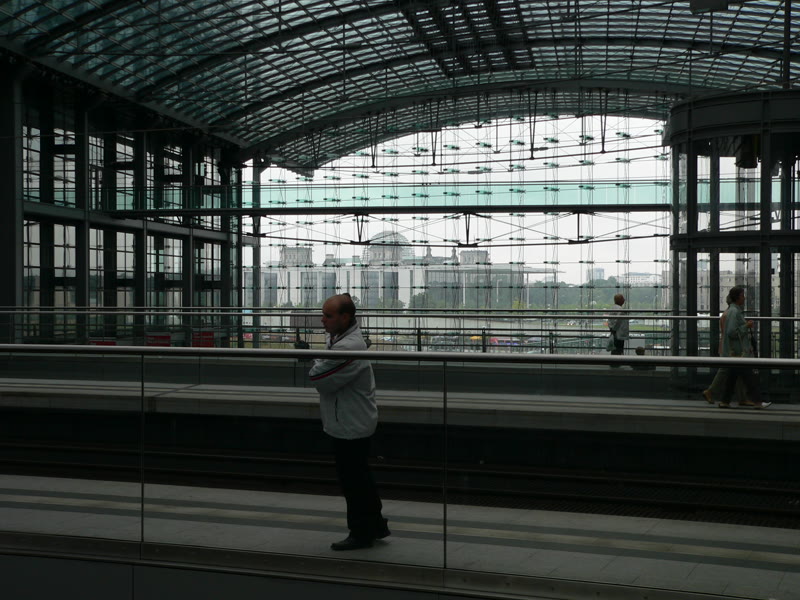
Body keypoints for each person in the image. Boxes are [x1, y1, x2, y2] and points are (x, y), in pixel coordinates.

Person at [309, 293, 390, 550]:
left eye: (328, 315)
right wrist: (321, 360)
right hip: (350, 420)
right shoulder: (340, 338)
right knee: (361, 476)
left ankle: (360, 533)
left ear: (345, 318)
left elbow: (319, 380)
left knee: (352, 482)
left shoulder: (348, 347)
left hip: (349, 424)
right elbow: (324, 366)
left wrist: (314, 360)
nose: (322, 320)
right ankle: (376, 526)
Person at [716, 286, 771, 409]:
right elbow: (731, 332)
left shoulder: (733, 310)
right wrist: (746, 326)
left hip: (736, 352)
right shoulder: (734, 312)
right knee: (749, 378)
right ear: (737, 297)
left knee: (732, 377)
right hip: (739, 352)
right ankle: (758, 402)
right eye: (742, 296)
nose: (744, 298)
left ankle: (725, 401)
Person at [608, 293, 629, 363]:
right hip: (619, 333)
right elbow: (618, 321)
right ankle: (617, 363)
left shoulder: (612, 308)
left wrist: (611, 329)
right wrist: (614, 329)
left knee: (615, 349)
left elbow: (610, 320)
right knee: (619, 349)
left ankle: (614, 363)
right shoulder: (620, 310)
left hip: (615, 332)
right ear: (620, 300)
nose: (624, 300)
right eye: (622, 299)